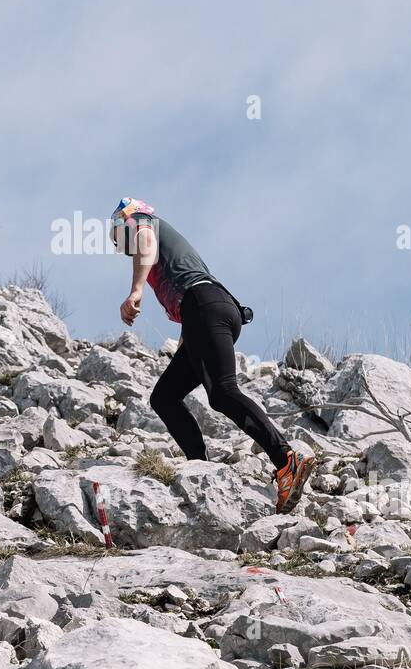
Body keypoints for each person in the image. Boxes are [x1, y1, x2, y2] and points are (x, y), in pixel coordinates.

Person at [111, 196, 315, 514]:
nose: (118, 247)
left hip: (205, 307)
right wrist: (185, 350)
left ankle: (286, 459)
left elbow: (146, 243)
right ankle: (199, 467)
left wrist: (136, 290)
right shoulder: (165, 250)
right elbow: (190, 310)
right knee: (164, 396)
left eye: (117, 238)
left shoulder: (143, 224)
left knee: (222, 392)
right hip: (213, 310)